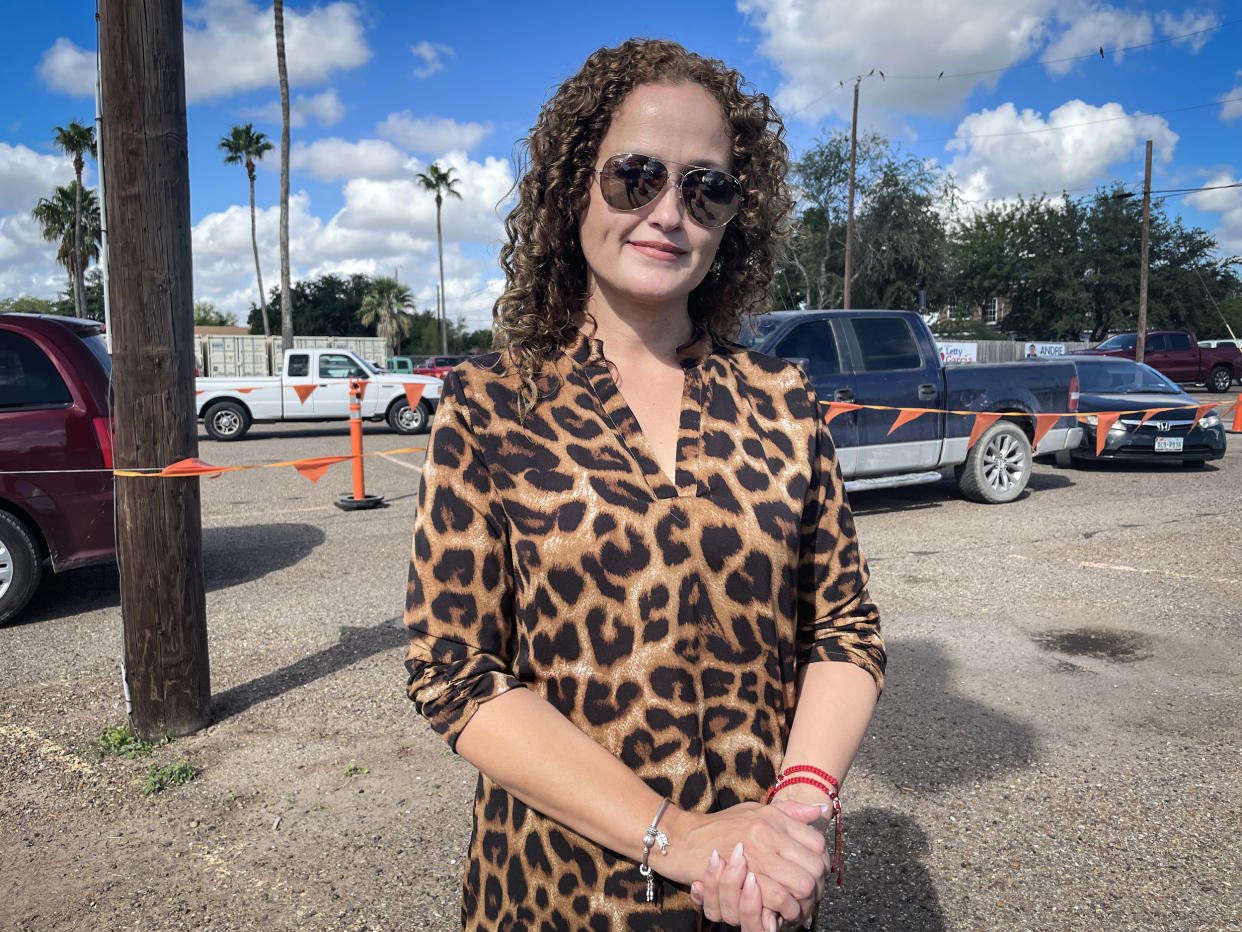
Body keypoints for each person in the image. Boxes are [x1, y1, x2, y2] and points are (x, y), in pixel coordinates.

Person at [402, 37, 886, 932]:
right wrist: (675, 838)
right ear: (571, 187)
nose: (670, 212)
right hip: (559, 894)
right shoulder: (489, 406)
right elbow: (454, 674)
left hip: (755, 893)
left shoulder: (782, 401)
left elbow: (844, 630)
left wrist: (799, 807)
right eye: (636, 177)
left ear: (733, 217)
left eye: (706, 188)